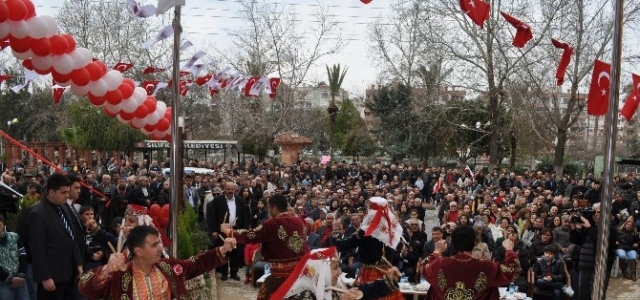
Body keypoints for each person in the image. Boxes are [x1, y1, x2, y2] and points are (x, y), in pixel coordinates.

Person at [78, 225, 236, 299]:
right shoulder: (120, 275)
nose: (161, 247)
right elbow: (84, 287)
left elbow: (196, 263)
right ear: (139, 251)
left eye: (160, 242)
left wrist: (222, 249)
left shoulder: (168, 267)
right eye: (154, 245)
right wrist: (107, 269)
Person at [220, 193, 309, 300]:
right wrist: (294, 216)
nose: (269, 211)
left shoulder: (272, 224)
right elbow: (309, 227)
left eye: (269, 208)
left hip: (281, 276)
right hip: (301, 274)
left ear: (274, 209)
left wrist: (228, 231)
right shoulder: (300, 221)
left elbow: (251, 235)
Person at [329, 197, 405, 300]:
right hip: (388, 272)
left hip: (371, 274)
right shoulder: (392, 228)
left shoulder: (366, 231)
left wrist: (335, 230)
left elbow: (342, 245)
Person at [422, 226, 521, 300]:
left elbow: (424, 267)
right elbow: (513, 271)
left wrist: (436, 251)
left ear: (453, 243)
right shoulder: (486, 266)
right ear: (474, 242)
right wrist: (509, 250)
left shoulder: (440, 264)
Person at [27, 173, 84, 300]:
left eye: (68, 192)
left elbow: (71, 236)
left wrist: (78, 263)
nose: (67, 196)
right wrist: (45, 277)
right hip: (52, 277)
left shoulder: (63, 207)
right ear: (51, 192)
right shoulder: (38, 214)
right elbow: (37, 249)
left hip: (69, 272)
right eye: (63, 193)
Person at [271, 247, 402, 300]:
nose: (339, 272)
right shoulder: (304, 295)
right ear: (319, 271)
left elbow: (363, 291)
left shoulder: (331, 288)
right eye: (334, 268)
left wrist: (389, 279)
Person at [570, 202, 617, 300]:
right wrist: (573, 228)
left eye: (599, 212)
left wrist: (589, 228)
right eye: (594, 212)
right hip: (583, 267)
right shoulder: (588, 226)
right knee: (583, 296)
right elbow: (576, 241)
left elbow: (603, 243)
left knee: (597, 296)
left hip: (599, 269)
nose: (596, 215)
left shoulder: (610, 227)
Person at [206, 181, 249, 281]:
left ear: (235, 189)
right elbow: (211, 216)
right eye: (228, 189)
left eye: (232, 189)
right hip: (222, 230)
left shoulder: (241, 200)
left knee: (235, 251)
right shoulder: (217, 200)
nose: (230, 191)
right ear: (224, 189)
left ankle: (234, 272)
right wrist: (214, 230)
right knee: (224, 251)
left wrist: (244, 229)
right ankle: (224, 272)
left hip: (236, 230)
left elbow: (245, 216)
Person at [0, 214, 29, 300]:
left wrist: (20, 275)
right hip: (3, 280)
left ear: (3, 225)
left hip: (20, 277)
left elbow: (23, 255)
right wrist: (10, 279)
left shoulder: (14, 237)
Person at [615, 216, 639, 281]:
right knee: (622, 255)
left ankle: (633, 275)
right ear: (625, 224)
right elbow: (612, 237)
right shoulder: (619, 231)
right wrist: (615, 241)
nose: (629, 226)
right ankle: (624, 272)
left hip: (630, 249)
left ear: (632, 227)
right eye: (628, 224)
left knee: (633, 256)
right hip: (620, 248)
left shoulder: (635, 233)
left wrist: (637, 243)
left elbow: (638, 241)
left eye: (630, 225)